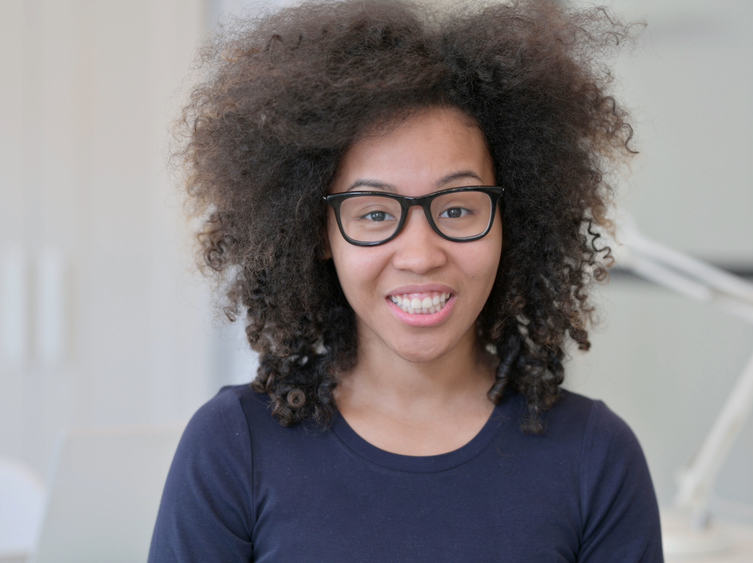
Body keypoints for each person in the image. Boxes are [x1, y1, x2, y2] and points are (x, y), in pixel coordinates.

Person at [149, 0, 663, 561]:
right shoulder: (233, 446)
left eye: (458, 209)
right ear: (319, 233)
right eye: (374, 213)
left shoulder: (596, 456)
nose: (419, 255)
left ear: (510, 221)